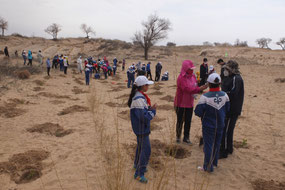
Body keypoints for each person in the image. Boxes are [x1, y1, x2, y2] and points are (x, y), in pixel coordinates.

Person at [194, 73, 230, 172]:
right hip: (220, 124)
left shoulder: (205, 97)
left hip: (208, 125)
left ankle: (207, 167)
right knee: (217, 144)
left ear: (209, 84)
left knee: (208, 145)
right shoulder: (225, 95)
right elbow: (228, 109)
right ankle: (214, 163)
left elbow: (198, 111)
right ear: (220, 83)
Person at [128, 76, 157, 184]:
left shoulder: (140, 96)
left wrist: (149, 109)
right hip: (141, 129)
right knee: (147, 150)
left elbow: (142, 112)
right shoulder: (139, 98)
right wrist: (153, 112)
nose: (148, 86)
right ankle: (139, 174)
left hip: (140, 128)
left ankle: (137, 164)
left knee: (140, 147)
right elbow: (143, 117)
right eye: (147, 85)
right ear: (142, 86)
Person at [174, 60, 208, 144]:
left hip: (189, 103)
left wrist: (200, 91)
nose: (192, 70)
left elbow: (195, 86)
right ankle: (178, 137)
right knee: (180, 120)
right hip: (181, 103)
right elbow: (187, 89)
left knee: (188, 120)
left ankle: (186, 137)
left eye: (192, 68)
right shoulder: (181, 78)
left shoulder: (193, 76)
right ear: (185, 68)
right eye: (190, 69)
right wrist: (200, 89)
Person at [220, 60, 244, 159]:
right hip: (230, 108)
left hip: (232, 109)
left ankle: (224, 151)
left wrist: (222, 95)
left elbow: (233, 92)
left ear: (232, 70)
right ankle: (229, 148)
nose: (225, 70)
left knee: (226, 130)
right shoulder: (230, 77)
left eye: (227, 69)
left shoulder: (236, 79)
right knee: (228, 129)